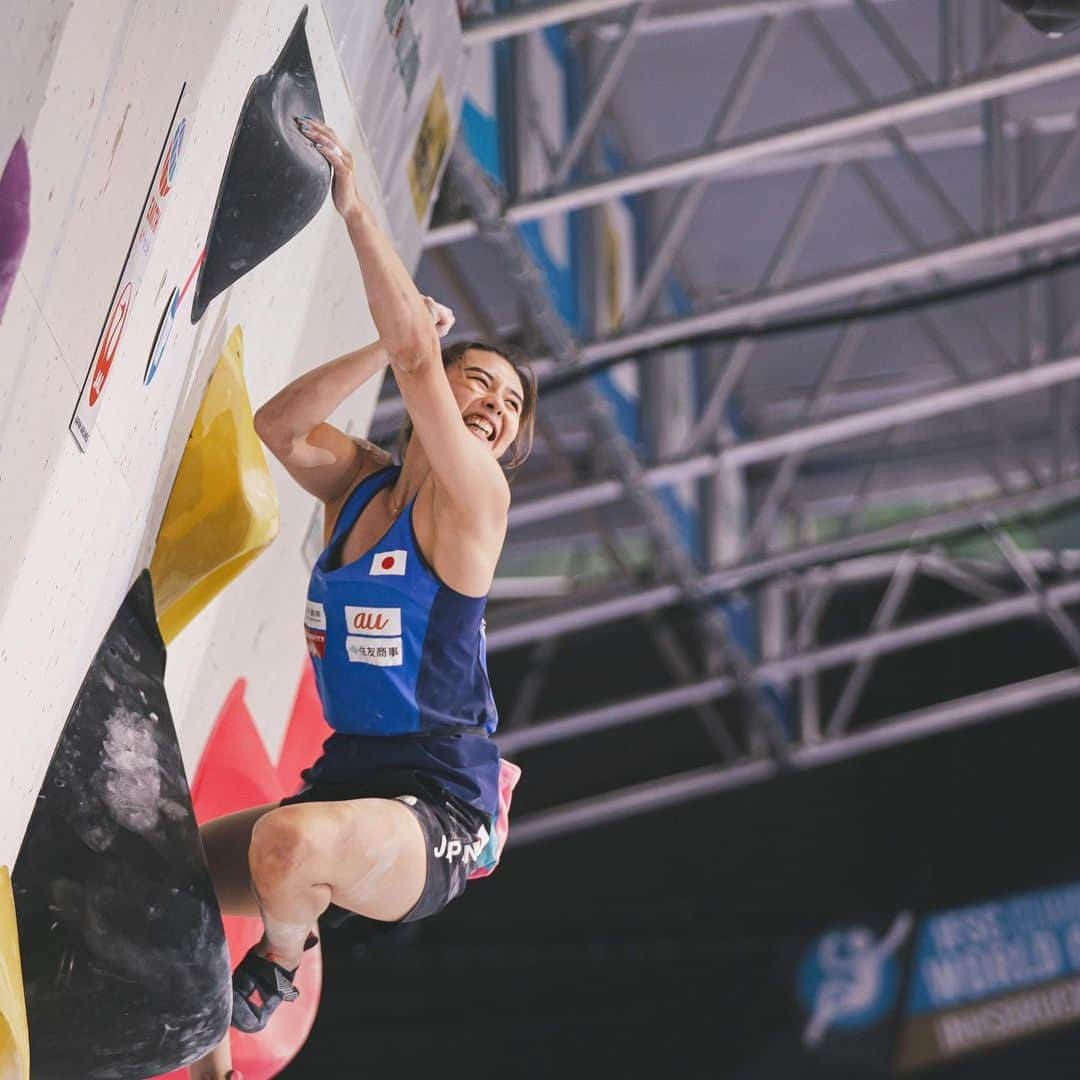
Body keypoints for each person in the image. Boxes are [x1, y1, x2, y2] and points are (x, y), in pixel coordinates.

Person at [188, 117, 535, 1080]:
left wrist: (355, 205)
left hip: (436, 812)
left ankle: (281, 963)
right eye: (482, 382)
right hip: (351, 776)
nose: (493, 406)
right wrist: (389, 346)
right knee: (173, 878)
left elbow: (424, 363)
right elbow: (280, 424)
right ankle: (212, 1065)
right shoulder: (364, 484)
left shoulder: (476, 502)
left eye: (508, 411)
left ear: (502, 450)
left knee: (289, 845)